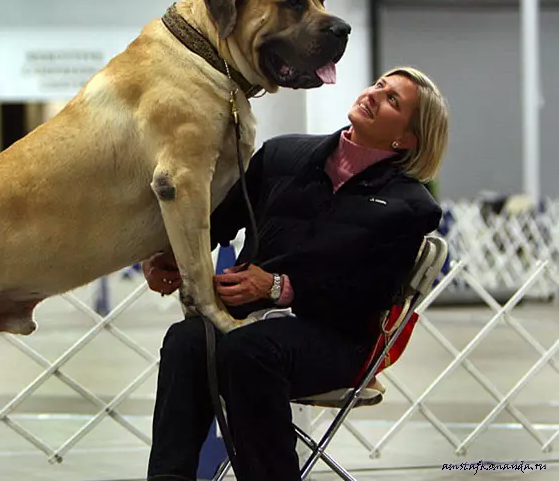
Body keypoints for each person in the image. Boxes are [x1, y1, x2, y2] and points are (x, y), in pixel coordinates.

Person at [143, 66, 449, 481]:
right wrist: (172, 256)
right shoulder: (282, 155)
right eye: (379, 85)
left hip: (339, 338)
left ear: (408, 138)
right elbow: (218, 222)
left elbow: (371, 297)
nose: (375, 95)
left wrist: (278, 288)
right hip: (251, 325)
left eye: (393, 100)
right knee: (187, 340)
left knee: (248, 350)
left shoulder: (411, 206)